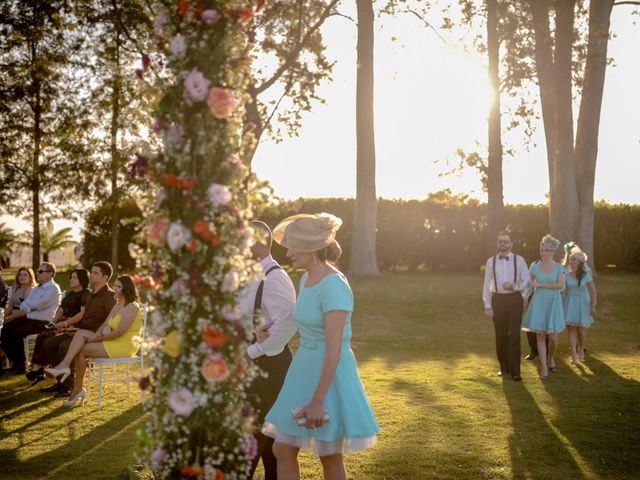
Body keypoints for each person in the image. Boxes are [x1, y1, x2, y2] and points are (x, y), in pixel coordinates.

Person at [262, 213, 379, 480]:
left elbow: (335, 348)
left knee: (329, 455)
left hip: (329, 373)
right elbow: (305, 314)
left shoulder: (334, 286)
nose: (288, 252)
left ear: (311, 248)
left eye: (293, 246)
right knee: (283, 448)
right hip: (303, 368)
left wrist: (318, 401)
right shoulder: (306, 279)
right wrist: (270, 325)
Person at [240, 220, 297, 480]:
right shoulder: (250, 274)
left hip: (271, 366)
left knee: (254, 435)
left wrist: (252, 351)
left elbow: (287, 325)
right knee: (262, 434)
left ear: (260, 243)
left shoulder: (276, 277)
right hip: (254, 363)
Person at [46, 274, 143, 407]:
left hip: (124, 345)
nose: (115, 288)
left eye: (119, 286)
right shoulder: (117, 305)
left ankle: (74, 384)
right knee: (80, 334)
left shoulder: (133, 307)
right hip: (111, 340)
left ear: (127, 289)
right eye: (115, 285)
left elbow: (119, 332)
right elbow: (104, 325)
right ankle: (69, 374)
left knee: (80, 349)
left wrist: (98, 338)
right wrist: (96, 336)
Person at [40, 261, 115, 396]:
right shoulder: (91, 295)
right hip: (79, 332)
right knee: (49, 342)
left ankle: (69, 386)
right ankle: (61, 382)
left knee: (64, 346)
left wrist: (97, 334)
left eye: (95, 273)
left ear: (105, 277)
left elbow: (112, 320)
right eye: (91, 272)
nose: (91, 275)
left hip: (94, 335)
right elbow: (84, 317)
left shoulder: (110, 296)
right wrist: (71, 328)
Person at [25, 269, 91, 382]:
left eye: (75, 277)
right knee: (43, 335)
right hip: (64, 324)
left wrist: (66, 323)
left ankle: (39, 368)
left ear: (82, 279)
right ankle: (40, 368)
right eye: (71, 277)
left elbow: (82, 314)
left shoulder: (86, 294)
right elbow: (61, 310)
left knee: (47, 337)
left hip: (75, 326)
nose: (71, 279)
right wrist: (53, 322)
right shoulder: (70, 294)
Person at [482, 231, 530, 381]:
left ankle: (516, 371)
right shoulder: (491, 261)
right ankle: (504, 368)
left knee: (514, 335)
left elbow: (527, 281)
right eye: (500, 241)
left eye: (505, 241)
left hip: (515, 300)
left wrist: (516, 288)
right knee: (500, 335)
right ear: (498, 244)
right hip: (498, 301)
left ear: (511, 244)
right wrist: (488, 305)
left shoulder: (519, 260)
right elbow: (486, 284)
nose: (503, 244)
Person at [0, 262, 61, 374]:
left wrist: (30, 306)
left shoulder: (53, 288)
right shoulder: (37, 288)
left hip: (42, 322)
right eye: (38, 271)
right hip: (29, 319)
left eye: (41, 271)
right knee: (4, 330)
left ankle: (21, 364)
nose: (38, 273)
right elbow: (25, 304)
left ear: (50, 274)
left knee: (16, 333)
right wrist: (31, 306)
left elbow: (38, 304)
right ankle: (17, 362)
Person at [522, 234, 566, 380]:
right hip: (539, 302)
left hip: (553, 303)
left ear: (553, 252)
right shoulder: (535, 267)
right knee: (540, 335)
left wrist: (539, 285)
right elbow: (528, 283)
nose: (543, 253)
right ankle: (544, 367)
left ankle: (550, 358)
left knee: (552, 338)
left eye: (547, 250)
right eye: (542, 250)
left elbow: (561, 285)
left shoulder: (559, 267)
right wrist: (520, 290)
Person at [562, 246, 597, 364]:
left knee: (581, 330)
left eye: (574, 260)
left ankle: (581, 348)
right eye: (570, 259)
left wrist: (593, 305)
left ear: (580, 262)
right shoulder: (566, 275)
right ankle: (574, 354)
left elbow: (593, 290)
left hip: (583, 303)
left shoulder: (586, 275)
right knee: (571, 329)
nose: (571, 262)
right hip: (569, 302)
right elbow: (561, 290)